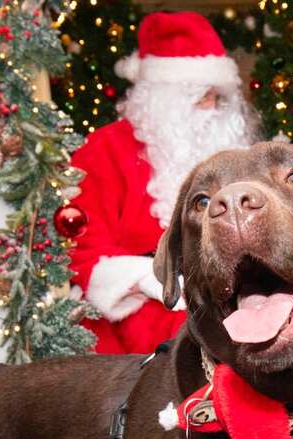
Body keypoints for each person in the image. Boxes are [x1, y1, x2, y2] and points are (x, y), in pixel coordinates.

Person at [68, 11, 259, 355]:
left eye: (217, 96)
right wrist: (151, 280)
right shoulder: (102, 152)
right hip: (141, 310)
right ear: (166, 95)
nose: (213, 107)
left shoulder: (232, 154)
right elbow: (83, 251)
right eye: (202, 96)